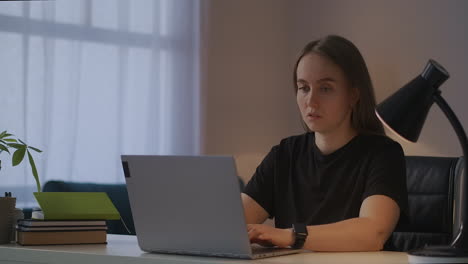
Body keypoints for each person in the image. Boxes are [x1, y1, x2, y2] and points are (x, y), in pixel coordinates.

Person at [242, 35, 408, 252]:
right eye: (303, 88)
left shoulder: (384, 154)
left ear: (353, 95)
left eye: (325, 88)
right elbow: (230, 226)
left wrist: (290, 235)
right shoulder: (285, 153)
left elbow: (372, 232)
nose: (311, 101)